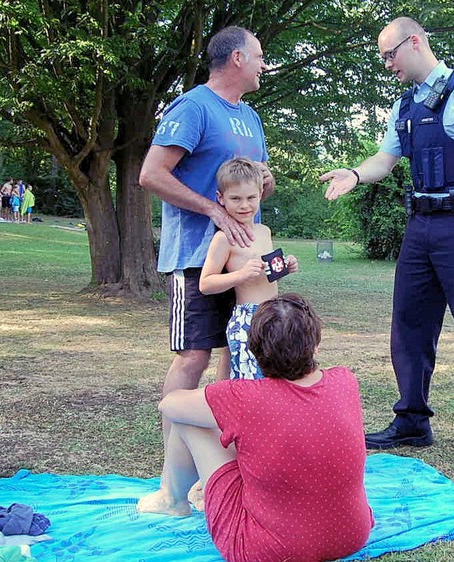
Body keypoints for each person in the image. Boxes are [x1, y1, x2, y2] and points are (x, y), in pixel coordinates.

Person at [319, 17, 454, 470]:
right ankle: (412, 420)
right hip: (421, 229)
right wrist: (353, 173)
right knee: (408, 326)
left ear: (415, 42)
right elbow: (384, 161)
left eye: (391, 54)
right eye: (383, 57)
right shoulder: (404, 106)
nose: (387, 65)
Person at [137, 293, 373, 562]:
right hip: (351, 536)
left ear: (256, 351)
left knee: (187, 420)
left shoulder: (243, 398)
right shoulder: (344, 381)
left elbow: (170, 404)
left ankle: (172, 500)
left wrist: (217, 396)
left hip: (267, 550)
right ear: (315, 344)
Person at [138, 27, 275, 416]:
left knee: (236, 352)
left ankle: (219, 449)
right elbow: (151, 175)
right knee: (193, 356)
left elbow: (254, 187)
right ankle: (175, 459)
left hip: (242, 260)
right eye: (259, 55)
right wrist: (213, 210)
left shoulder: (250, 117)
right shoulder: (193, 107)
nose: (264, 64)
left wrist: (267, 181)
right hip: (196, 257)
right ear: (238, 58)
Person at [200, 157, 298, 380]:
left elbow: (269, 278)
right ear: (221, 198)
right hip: (248, 319)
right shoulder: (223, 238)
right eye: (235, 199)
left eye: (251, 198)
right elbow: (205, 284)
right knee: (248, 381)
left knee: (277, 378)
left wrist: (285, 267)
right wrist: (240, 275)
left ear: (261, 194)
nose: (244, 205)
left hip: (276, 315)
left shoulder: (264, 231)